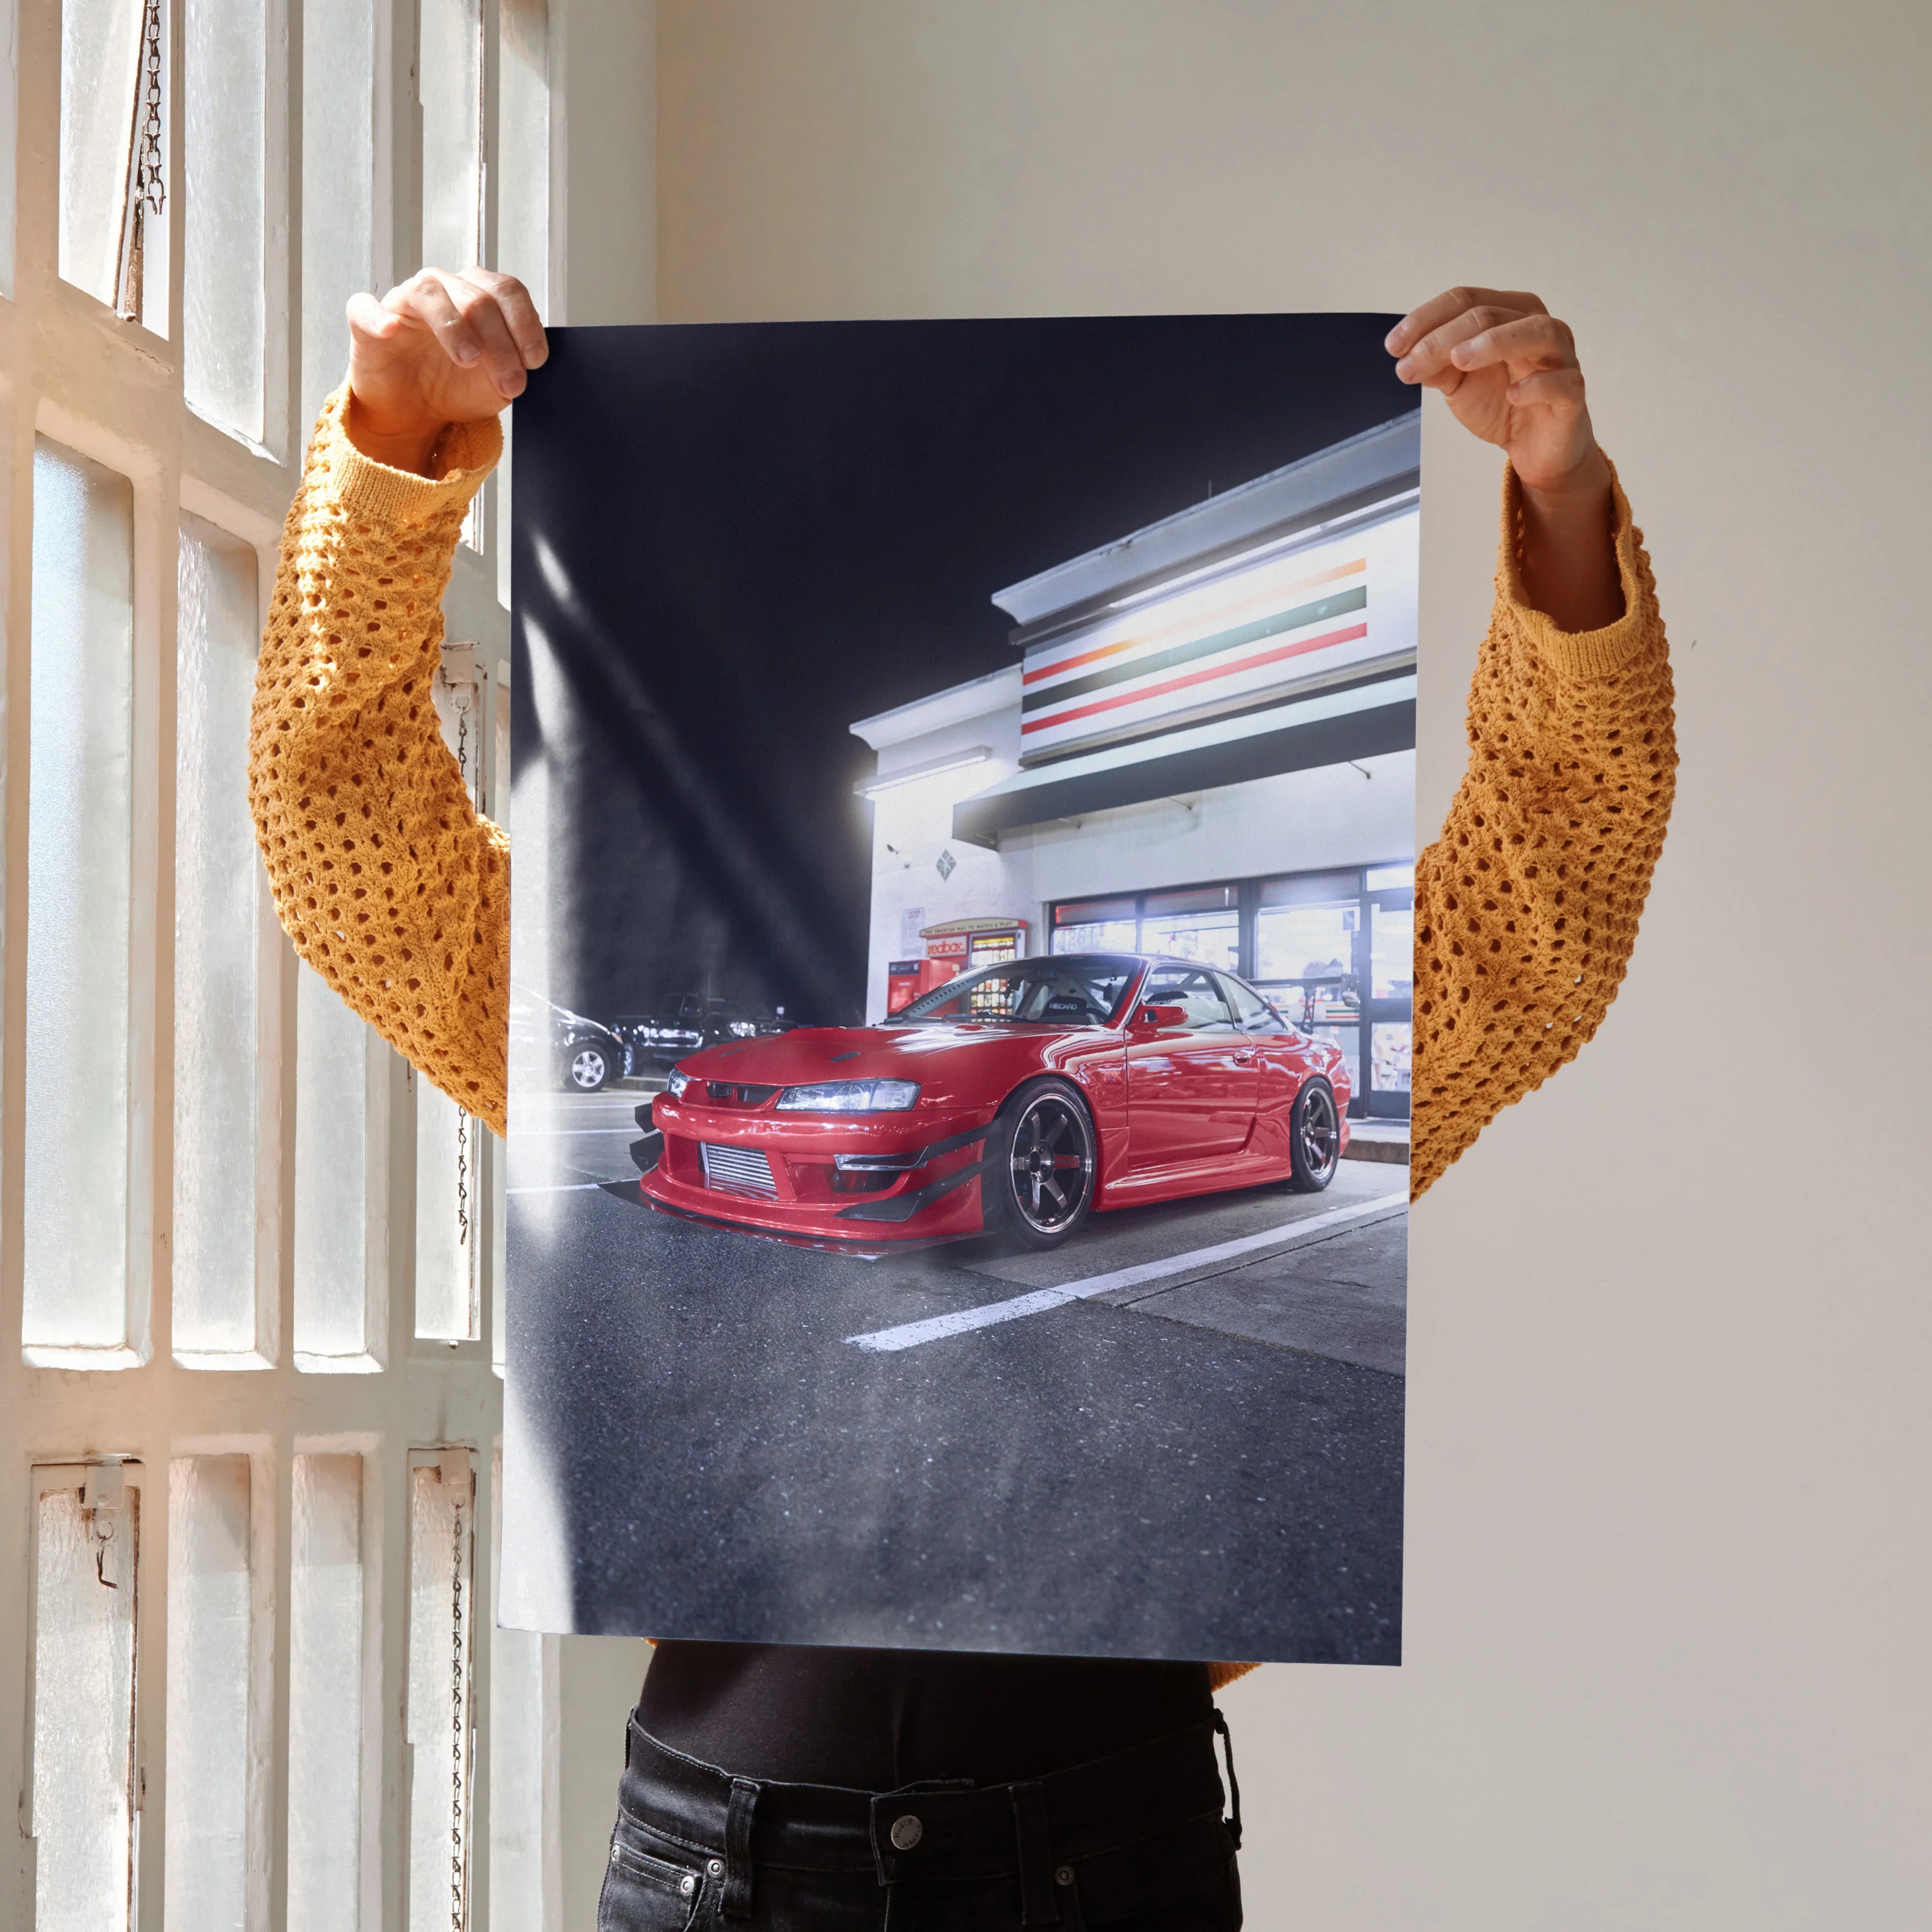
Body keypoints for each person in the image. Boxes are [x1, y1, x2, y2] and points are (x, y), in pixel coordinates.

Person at [249, 273, 1675, 1929]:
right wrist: (390, 449)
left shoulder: (1257, 1068)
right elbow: (347, 845)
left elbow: (1548, 900)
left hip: (1103, 1852)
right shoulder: (865, 1044)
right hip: (722, 1860)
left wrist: (1559, 497)